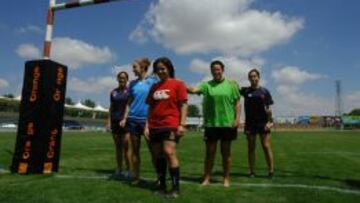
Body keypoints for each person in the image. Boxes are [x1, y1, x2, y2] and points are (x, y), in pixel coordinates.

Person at [188, 60, 241, 187]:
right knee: (209, 153)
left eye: (218, 69)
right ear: (211, 71)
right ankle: (207, 178)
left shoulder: (232, 85)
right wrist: (178, 84)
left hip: (227, 124)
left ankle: (226, 179)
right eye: (213, 69)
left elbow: (237, 103)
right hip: (211, 124)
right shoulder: (206, 85)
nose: (216, 71)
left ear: (222, 70)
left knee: (226, 153)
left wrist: (237, 119)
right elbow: (194, 90)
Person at [146, 57, 188, 198]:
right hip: (154, 125)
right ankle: (162, 185)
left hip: (170, 123)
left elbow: (183, 105)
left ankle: (176, 188)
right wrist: (147, 126)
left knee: (169, 152)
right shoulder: (154, 87)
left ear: (169, 68)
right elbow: (150, 107)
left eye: (163, 68)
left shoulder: (178, 84)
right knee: (158, 156)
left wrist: (182, 124)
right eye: (158, 69)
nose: (160, 71)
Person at [119, 58, 158, 183]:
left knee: (154, 151)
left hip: (148, 121)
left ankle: (159, 177)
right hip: (133, 120)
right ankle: (136, 176)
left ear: (142, 67)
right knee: (135, 150)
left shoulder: (153, 81)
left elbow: (156, 101)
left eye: (135, 67)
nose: (133, 70)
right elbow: (129, 102)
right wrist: (125, 118)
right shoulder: (132, 84)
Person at [241, 68, 274, 178]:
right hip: (250, 124)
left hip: (263, 123)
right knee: (251, 147)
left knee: (266, 146)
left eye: (255, 76)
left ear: (259, 77)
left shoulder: (265, 91)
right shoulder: (245, 91)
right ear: (249, 78)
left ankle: (271, 171)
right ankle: (251, 171)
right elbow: (233, 88)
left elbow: (269, 109)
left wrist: (270, 122)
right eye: (251, 76)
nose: (253, 78)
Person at [107, 71, 132, 179]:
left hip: (126, 122)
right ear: (117, 79)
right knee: (118, 148)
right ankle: (118, 169)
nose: (122, 79)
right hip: (114, 121)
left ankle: (129, 170)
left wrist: (125, 118)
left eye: (124, 78)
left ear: (127, 79)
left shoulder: (129, 91)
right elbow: (111, 107)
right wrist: (108, 121)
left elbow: (129, 106)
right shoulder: (113, 92)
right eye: (120, 78)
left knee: (126, 146)